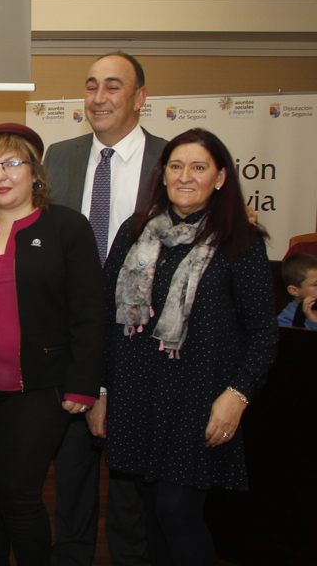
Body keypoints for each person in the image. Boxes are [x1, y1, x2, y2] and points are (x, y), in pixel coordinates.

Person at [102, 128, 278, 565]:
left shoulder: (241, 241)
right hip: (139, 394)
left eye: (198, 167)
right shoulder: (135, 231)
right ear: (162, 175)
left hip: (201, 399)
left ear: (220, 178)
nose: (185, 176)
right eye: (176, 166)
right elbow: (107, 316)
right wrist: (101, 392)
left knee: (176, 511)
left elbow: (263, 333)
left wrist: (236, 397)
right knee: (152, 516)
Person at [0, 123, 106, 565]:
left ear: (35, 173)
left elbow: (90, 314)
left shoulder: (67, 227)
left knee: (19, 493)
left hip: (40, 386)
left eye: (12, 163)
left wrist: (83, 385)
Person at [43, 51, 165, 566]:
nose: (98, 97)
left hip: (144, 338)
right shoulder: (60, 155)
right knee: (71, 474)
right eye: (91, 85)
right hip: (74, 339)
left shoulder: (170, 159)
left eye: (113, 86)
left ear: (139, 98)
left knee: (133, 480)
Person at [278, 253, 317, 328]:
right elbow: (298, 339)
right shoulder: (286, 318)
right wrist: (312, 322)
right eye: (316, 284)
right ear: (294, 290)